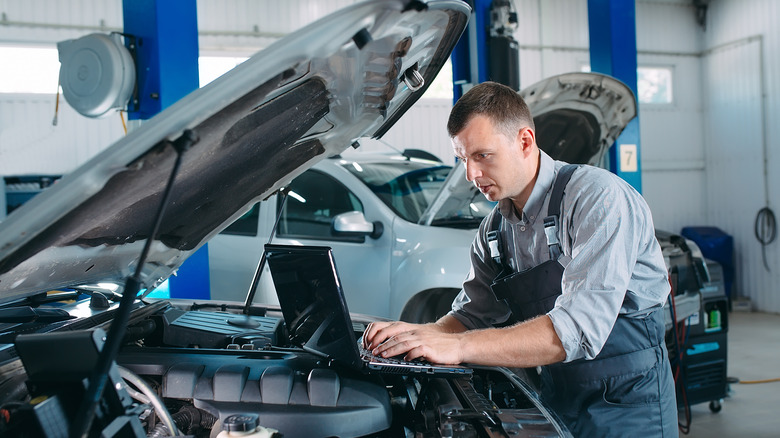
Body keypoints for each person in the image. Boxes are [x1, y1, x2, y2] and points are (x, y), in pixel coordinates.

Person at [363, 81, 678, 437]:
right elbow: (472, 315)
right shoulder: (494, 230)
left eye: (482, 155)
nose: (471, 175)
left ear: (525, 141)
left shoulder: (597, 198)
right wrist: (420, 334)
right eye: (463, 159)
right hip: (557, 396)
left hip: (630, 402)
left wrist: (457, 347)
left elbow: (578, 330)